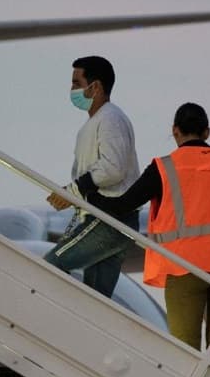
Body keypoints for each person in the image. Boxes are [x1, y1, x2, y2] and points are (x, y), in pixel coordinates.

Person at [86, 103, 210, 373]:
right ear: (207, 132)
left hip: (184, 266)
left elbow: (125, 203)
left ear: (175, 131)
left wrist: (87, 196)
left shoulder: (165, 167)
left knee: (184, 349)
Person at [43, 56, 141, 298]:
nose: (72, 90)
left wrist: (73, 191)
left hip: (109, 220)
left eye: (77, 83)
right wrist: (71, 192)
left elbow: (113, 168)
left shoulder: (110, 119)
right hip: (112, 220)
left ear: (95, 87)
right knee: (96, 299)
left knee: (49, 265)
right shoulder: (97, 122)